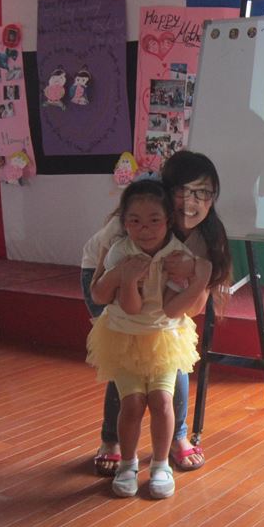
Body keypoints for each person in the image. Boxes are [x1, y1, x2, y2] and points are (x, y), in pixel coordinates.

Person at [82, 152, 231, 478]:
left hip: (160, 294)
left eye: (203, 192)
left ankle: (177, 437)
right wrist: (122, 276)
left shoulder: (206, 238)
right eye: (182, 190)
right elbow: (98, 289)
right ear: (166, 189)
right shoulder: (133, 220)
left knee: (170, 358)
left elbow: (189, 310)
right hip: (105, 274)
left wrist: (196, 270)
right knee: (126, 357)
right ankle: (111, 438)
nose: (191, 201)